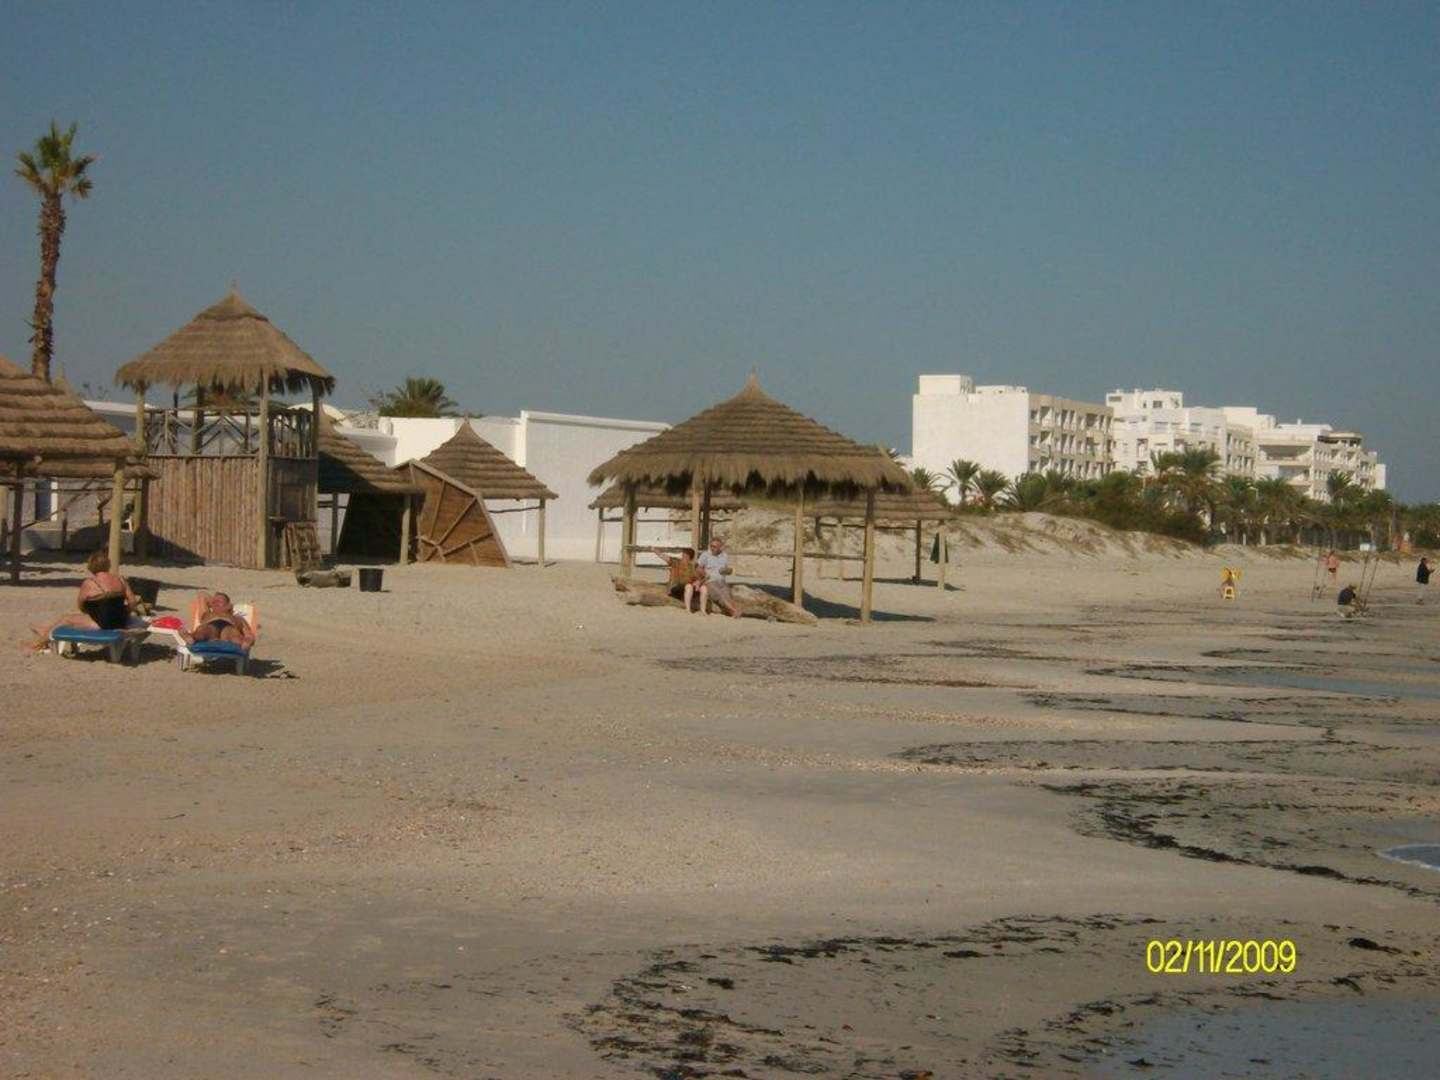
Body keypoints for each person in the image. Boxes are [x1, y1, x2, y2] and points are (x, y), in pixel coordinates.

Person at [25, 551, 141, 650]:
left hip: (102, 624)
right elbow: (133, 602)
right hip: (121, 621)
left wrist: (92, 612)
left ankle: (39, 643)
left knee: (66, 619)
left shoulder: (90, 583)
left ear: (91, 566)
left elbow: (81, 605)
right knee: (72, 618)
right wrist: (123, 611)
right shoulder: (120, 579)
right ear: (108, 565)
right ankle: (45, 630)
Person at [189, 592, 255, 647]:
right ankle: (191, 638)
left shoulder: (238, 618)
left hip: (229, 626)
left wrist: (248, 640)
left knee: (233, 635)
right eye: (214, 602)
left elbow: (248, 633)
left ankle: (239, 643)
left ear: (229, 605)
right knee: (203, 632)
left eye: (219, 601)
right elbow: (202, 595)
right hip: (210, 625)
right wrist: (215, 602)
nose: (215, 603)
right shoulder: (206, 614)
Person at [696, 535, 739, 617]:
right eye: (711, 546)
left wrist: (726, 570)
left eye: (715, 547)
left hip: (722, 581)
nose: (712, 548)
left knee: (727, 594)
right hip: (710, 581)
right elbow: (698, 568)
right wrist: (704, 574)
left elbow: (729, 571)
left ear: (720, 547)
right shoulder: (705, 555)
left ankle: (731, 611)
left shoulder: (724, 556)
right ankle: (734, 611)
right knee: (719, 595)